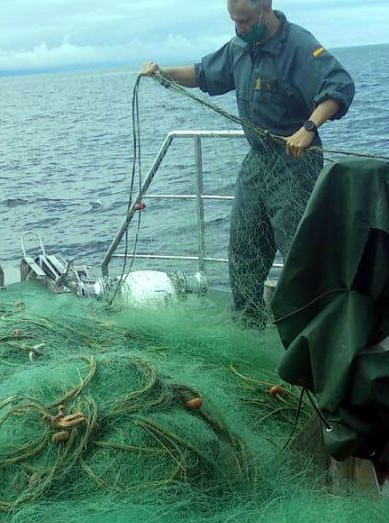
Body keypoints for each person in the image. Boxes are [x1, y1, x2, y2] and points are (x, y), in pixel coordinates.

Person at [142, 0, 355, 322]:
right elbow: (202, 74)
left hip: (295, 164)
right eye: (234, 22)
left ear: (265, 8)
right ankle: (247, 324)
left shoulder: (298, 44)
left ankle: (315, 332)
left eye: (244, 21)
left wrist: (309, 129)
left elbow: (339, 87)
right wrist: (164, 74)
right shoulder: (239, 47)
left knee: (302, 254)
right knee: (244, 249)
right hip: (257, 163)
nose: (239, 28)